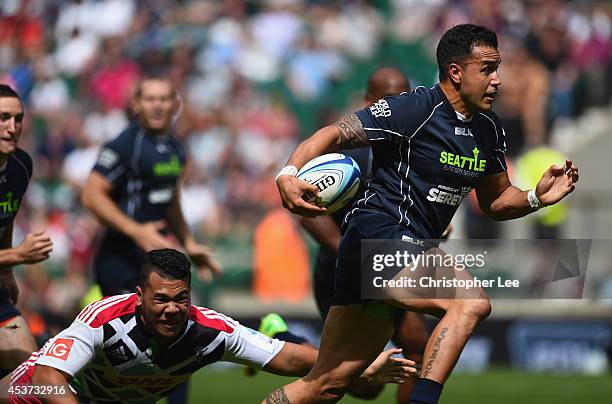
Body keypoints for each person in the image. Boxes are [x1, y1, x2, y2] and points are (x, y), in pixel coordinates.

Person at [271, 24, 579, 404]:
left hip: (396, 249)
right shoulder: (413, 108)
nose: (498, 80)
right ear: (455, 72)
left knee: (323, 386)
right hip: (378, 236)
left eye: (497, 68)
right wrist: (288, 173)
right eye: (487, 69)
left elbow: (496, 202)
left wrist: (536, 198)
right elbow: (333, 134)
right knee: (470, 302)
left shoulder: (488, 129)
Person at [5, 249, 415, 403]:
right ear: (139, 296)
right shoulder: (105, 318)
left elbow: (288, 358)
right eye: (160, 300)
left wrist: (360, 366)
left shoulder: (209, 331)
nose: (170, 309)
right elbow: (48, 377)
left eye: (180, 299)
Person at [80, 76, 220, 404]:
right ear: (136, 105)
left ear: (175, 105)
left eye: (164, 99)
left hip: (155, 258)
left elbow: (170, 199)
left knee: (176, 334)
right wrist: (136, 231)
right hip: (119, 258)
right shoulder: (125, 146)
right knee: (132, 343)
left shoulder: (176, 149)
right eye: (149, 99)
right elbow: (91, 194)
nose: (157, 105)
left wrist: (188, 241)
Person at [299, 66, 429, 403]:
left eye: (403, 98)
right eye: (388, 100)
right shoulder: (346, 155)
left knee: (416, 342)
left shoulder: (416, 154)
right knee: (360, 385)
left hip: (393, 264)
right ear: (369, 102)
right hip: (343, 270)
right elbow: (309, 217)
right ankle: (287, 342)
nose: (396, 106)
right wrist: (350, 251)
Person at [0, 84, 53, 376]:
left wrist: (6, 271)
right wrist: (17, 255)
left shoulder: (21, 164)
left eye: (18, 119)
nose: (12, 127)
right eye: (3, 118)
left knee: (32, 375)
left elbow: (6, 218)